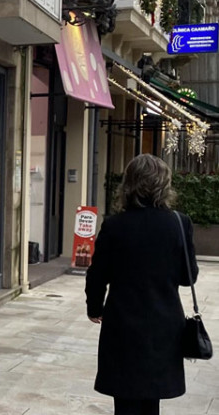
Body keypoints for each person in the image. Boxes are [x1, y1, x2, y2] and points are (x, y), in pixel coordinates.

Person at [86, 154, 198, 415]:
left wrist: (94, 307)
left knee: (124, 398)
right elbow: (188, 277)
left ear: (129, 184)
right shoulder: (180, 223)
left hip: (122, 323)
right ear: (164, 184)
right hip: (164, 325)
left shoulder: (115, 225)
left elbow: (97, 274)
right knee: (152, 398)